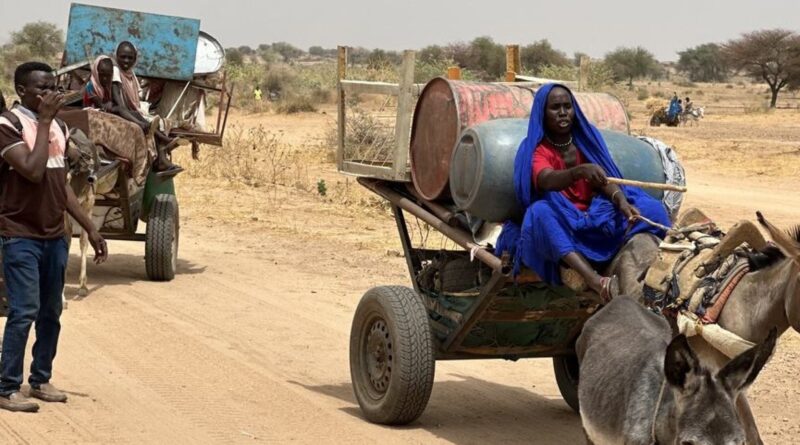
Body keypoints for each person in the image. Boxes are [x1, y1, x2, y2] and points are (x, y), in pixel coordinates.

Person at [495, 84, 671, 300]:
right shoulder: (536, 149)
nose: (562, 113)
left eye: (567, 107)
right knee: (539, 214)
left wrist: (620, 201)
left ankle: (624, 255)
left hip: (595, 211)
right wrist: (578, 172)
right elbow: (546, 179)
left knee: (652, 208)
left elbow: (603, 179)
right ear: (542, 112)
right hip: (566, 218)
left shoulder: (586, 139)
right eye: (555, 107)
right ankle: (594, 280)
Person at [0, 62, 108, 412]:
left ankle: (41, 379)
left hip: (53, 234)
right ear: (21, 91)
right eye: (41, 90)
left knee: (51, 311)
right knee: (23, 311)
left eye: (52, 88)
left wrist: (89, 227)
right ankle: (6, 387)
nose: (49, 96)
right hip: (20, 235)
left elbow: (60, 184)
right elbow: (31, 171)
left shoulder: (60, 126)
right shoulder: (8, 126)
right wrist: (44, 121)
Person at [111, 41, 181, 173]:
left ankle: (161, 158)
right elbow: (118, 100)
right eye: (123, 57)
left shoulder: (131, 74)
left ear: (135, 59)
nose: (126, 61)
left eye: (130, 58)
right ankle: (162, 147)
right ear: (116, 56)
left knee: (160, 121)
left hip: (132, 110)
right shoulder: (115, 71)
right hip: (122, 111)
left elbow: (137, 98)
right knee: (148, 123)